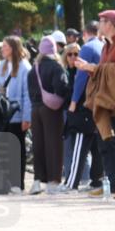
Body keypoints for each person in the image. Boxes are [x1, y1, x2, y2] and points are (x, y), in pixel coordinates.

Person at [75, 10, 115, 199]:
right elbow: (104, 72)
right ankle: (110, 185)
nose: (98, 25)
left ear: (110, 24)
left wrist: (91, 67)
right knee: (104, 142)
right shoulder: (107, 44)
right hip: (104, 98)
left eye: (101, 21)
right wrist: (89, 68)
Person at [27, 35, 69, 194]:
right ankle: (53, 181)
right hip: (51, 110)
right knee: (54, 145)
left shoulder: (34, 68)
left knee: (38, 144)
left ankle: (37, 181)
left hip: (35, 109)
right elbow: (62, 88)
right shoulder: (56, 67)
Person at [66, 21, 103, 191]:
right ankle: (97, 180)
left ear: (84, 33)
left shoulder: (87, 48)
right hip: (102, 101)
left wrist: (73, 101)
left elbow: (81, 77)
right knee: (97, 145)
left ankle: (71, 183)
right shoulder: (103, 46)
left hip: (86, 103)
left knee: (80, 144)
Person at [0, 35, 32, 193]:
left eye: (6, 46)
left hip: (17, 114)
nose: (2, 49)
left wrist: (27, 117)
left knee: (17, 149)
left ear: (14, 48)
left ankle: (18, 183)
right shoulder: (2, 65)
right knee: (3, 149)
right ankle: (5, 183)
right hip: (3, 113)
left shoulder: (24, 67)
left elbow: (27, 94)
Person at [56, 42, 85, 193]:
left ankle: (84, 179)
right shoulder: (64, 72)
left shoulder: (83, 72)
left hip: (81, 113)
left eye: (76, 53)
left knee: (82, 148)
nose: (73, 57)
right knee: (68, 147)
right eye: (70, 54)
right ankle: (69, 178)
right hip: (67, 113)